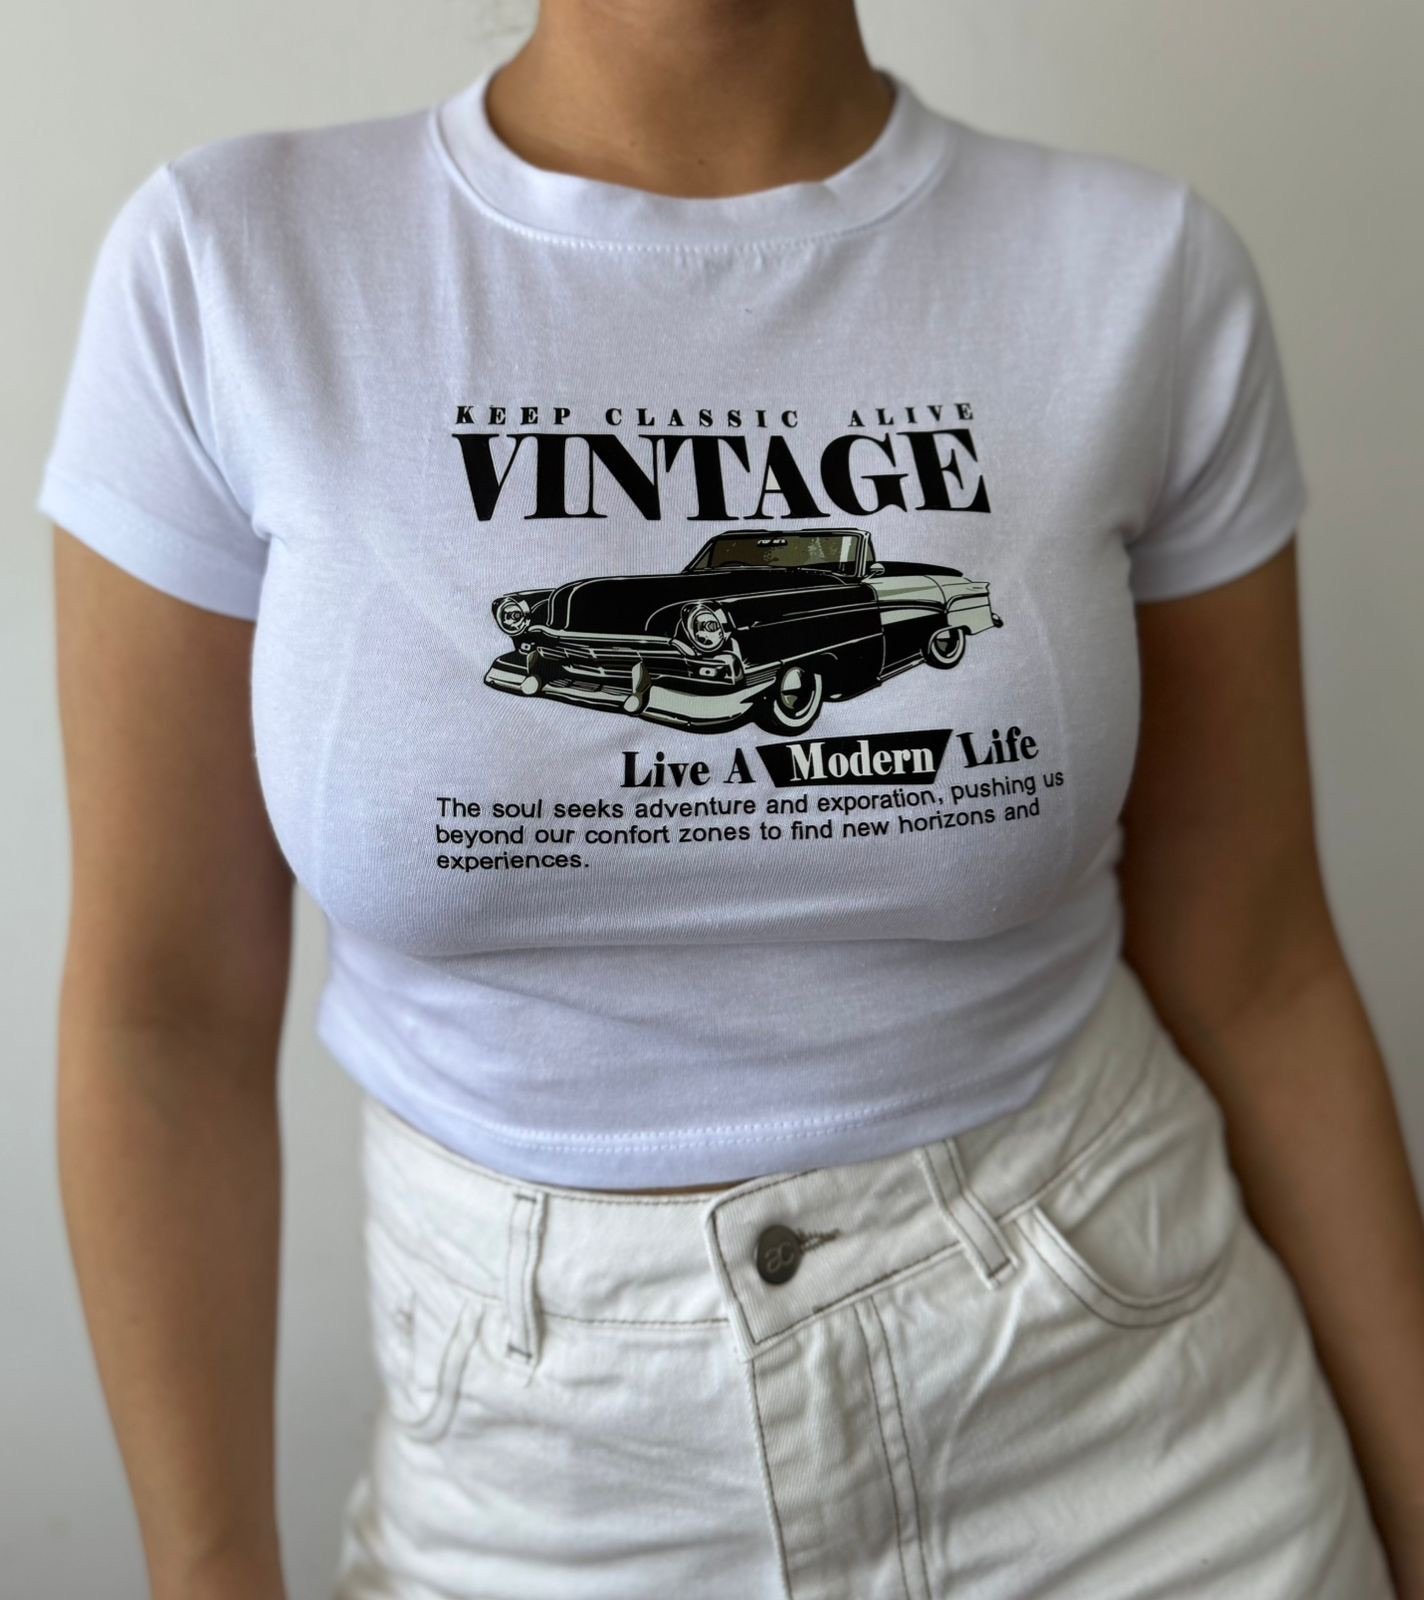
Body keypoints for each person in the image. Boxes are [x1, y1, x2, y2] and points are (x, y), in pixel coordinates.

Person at [39, 2, 1424, 1596]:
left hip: (1140, 1429)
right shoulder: (231, 263)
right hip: (538, 1479)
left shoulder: (1137, 269)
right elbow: (163, 1018)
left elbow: (1260, 967)